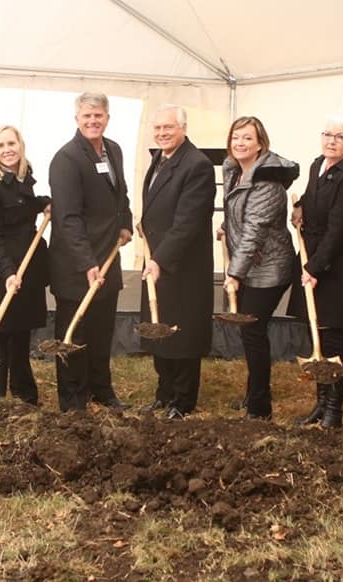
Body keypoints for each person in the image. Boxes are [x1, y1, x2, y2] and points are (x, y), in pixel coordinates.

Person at [48, 92, 134, 412]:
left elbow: (120, 194)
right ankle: (73, 400)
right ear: (77, 119)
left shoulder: (114, 150)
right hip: (75, 263)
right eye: (87, 116)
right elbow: (67, 218)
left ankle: (101, 390)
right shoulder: (66, 159)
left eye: (98, 115)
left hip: (108, 257)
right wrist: (86, 262)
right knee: (74, 331)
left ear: (107, 118)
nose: (93, 121)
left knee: (101, 329)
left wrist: (125, 222)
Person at [289, 113, 343, 429]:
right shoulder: (317, 165)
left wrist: (314, 267)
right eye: (327, 134)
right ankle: (320, 404)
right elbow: (313, 198)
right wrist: (300, 208)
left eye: (340, 137)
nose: (332, 141)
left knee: (334, 340)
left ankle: (334, 411)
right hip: (314, 258)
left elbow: (338, 232)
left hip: (339, 268)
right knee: (316, 336)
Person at [137, 105, 216, 420]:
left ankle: (183, 401)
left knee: (182, 334)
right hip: (157, 258)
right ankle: (164, 392)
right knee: (161, 331)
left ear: (183, 127)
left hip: (182, 265)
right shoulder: (160, 157)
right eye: (157, 128)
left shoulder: (197, 165)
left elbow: (188, 222)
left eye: (168, 127)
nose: (161, 133)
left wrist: (160, 259)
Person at [220, 116, 299, 421]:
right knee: (250, 333)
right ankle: (254, 393)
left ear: (260, 144)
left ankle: (260, 407)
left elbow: (255, 229)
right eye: (236, 137)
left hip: (269, 267)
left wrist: (234, 274)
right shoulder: (234, 171)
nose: (240, 143)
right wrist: (226, 226)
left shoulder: (267, 181)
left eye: (247, 139)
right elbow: (237, 212)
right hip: (248, 261)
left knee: (253, 332)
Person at [0, 125, 50, 405]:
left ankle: (24, 395)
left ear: (21, 146)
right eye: (1, 145)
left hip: (27, 264)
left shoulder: (24, 177)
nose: (7, 150)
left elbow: (24, 205)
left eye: (11, 144)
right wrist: (7, 271)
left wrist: (45, 204)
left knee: (21, 332)